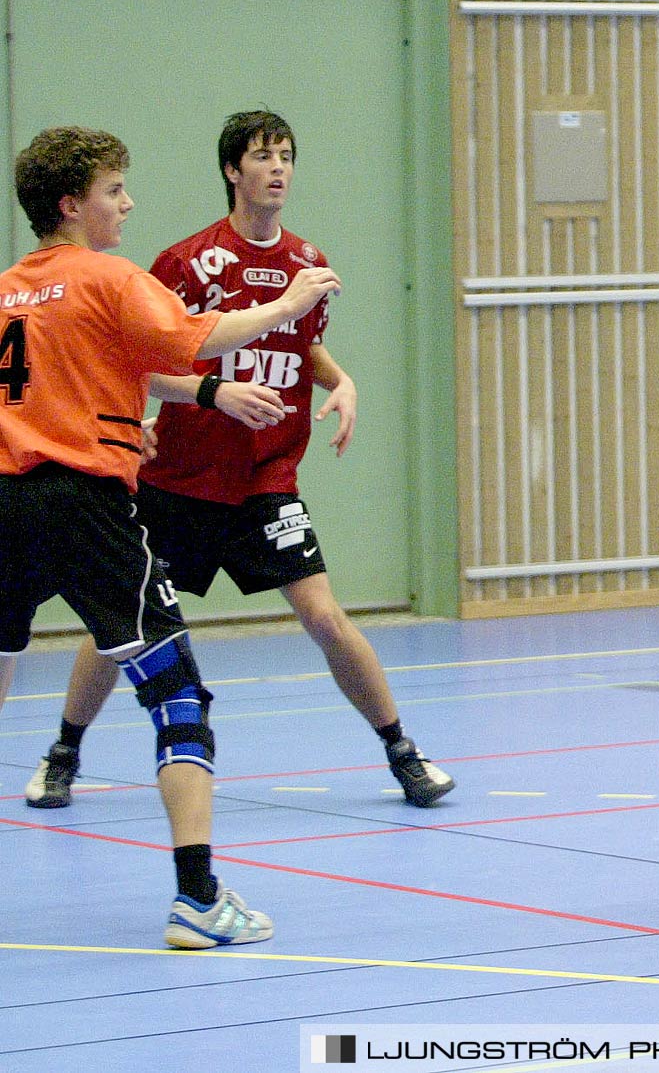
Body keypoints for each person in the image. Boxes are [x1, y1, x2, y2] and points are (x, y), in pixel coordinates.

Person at [21, 111, 454, 812]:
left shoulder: (307, 264)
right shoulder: (184, 263)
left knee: (323, 615)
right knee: (118, 625)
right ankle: (64, 751)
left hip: (264, 480)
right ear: (233, 170)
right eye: (262, 156)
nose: (277, 168)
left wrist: (339, 380)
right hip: (177, 484)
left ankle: (402, 748)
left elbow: (298, 343)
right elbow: (154, 346)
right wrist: (155, 412)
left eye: (286, 154)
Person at [1, 125, 339, 946]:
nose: (127, 204)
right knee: (177, 694)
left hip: (6, 502)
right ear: (72, 204)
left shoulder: (11, 290)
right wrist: (289, 307)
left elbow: (103, 368)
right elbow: (198, 334)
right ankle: (198, 900)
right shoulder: (108, 276)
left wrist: (201, 398)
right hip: (85, 506)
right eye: (115, 191)